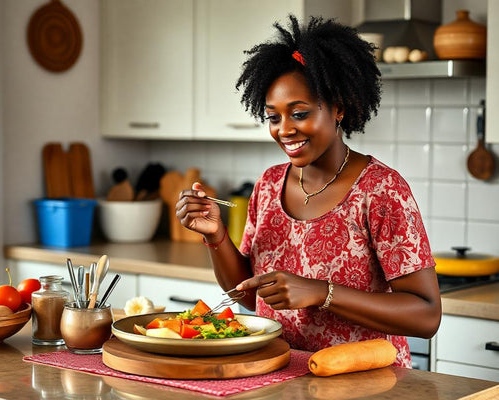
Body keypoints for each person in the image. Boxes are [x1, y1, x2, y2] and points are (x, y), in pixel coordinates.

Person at [175, 15, 441, 367]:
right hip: (281, 373)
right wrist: (217, 235)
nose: (285, 130)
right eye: (273, 117)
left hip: (365, 381)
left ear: (339, 108)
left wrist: (321, 292)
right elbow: (250, 298)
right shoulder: (269, 184)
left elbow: (426, 316)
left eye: (299, 113)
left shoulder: (381, 190)